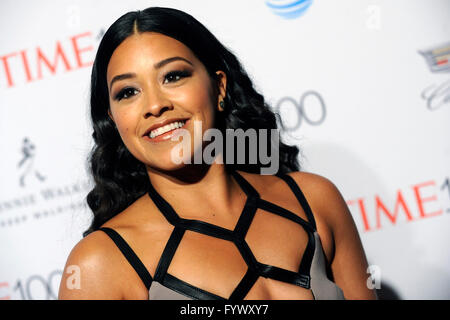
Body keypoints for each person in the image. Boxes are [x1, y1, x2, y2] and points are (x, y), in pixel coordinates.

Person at [58, 6, 377, 300]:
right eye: (128, 92)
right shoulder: (99, 264)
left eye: (173, 76)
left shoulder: (315, 200)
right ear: (113, 120)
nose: (155, 105)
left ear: (219, 87)